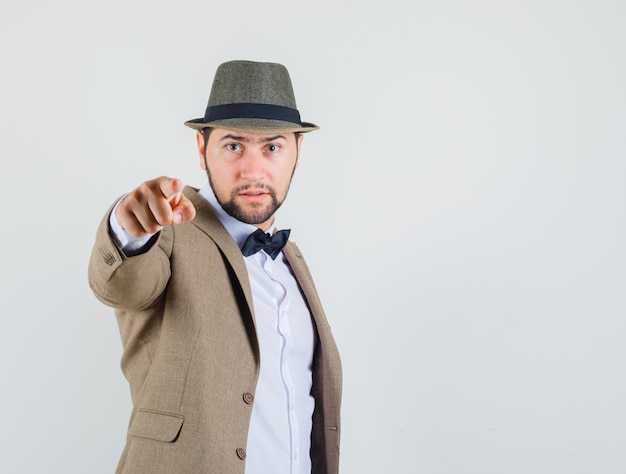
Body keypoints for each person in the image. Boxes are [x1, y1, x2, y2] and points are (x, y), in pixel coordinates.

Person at [88, 60, 342, 474]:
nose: (253, 170)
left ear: (297, 153)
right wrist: (128, 226)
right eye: (233, 145)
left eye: (273, 147)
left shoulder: (293, 262)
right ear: (202, 148)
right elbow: (121, 285)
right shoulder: (169, 230)